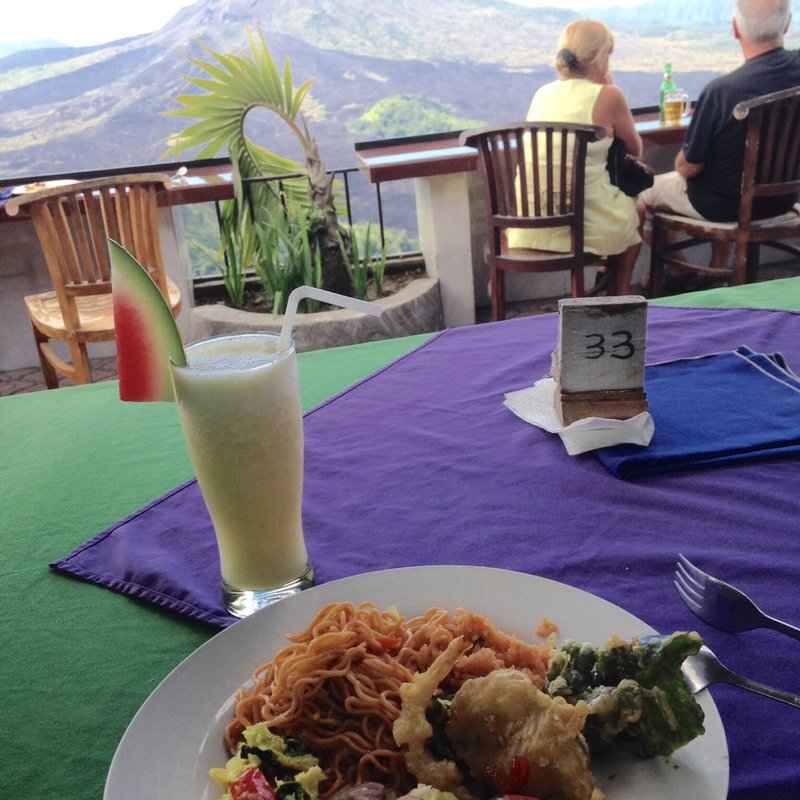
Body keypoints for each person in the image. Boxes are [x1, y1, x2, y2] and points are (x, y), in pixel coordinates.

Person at [508, 19, 643, 295]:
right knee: (636, 209)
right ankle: (619, 291)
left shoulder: (542, 93)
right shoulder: (609, 95)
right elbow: (635, 150)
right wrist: (608, 89)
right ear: (601, 56)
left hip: (528, 227)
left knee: (610, 203)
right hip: (580, 229)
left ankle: (606, 282)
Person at [639, 0, 800, 229]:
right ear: (787, 25)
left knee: (639, 191)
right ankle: (714, 264)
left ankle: (679, 267)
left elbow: (688, 167)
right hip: (783, 202)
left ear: (735, 29)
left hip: (722, 207)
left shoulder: (722, 91)